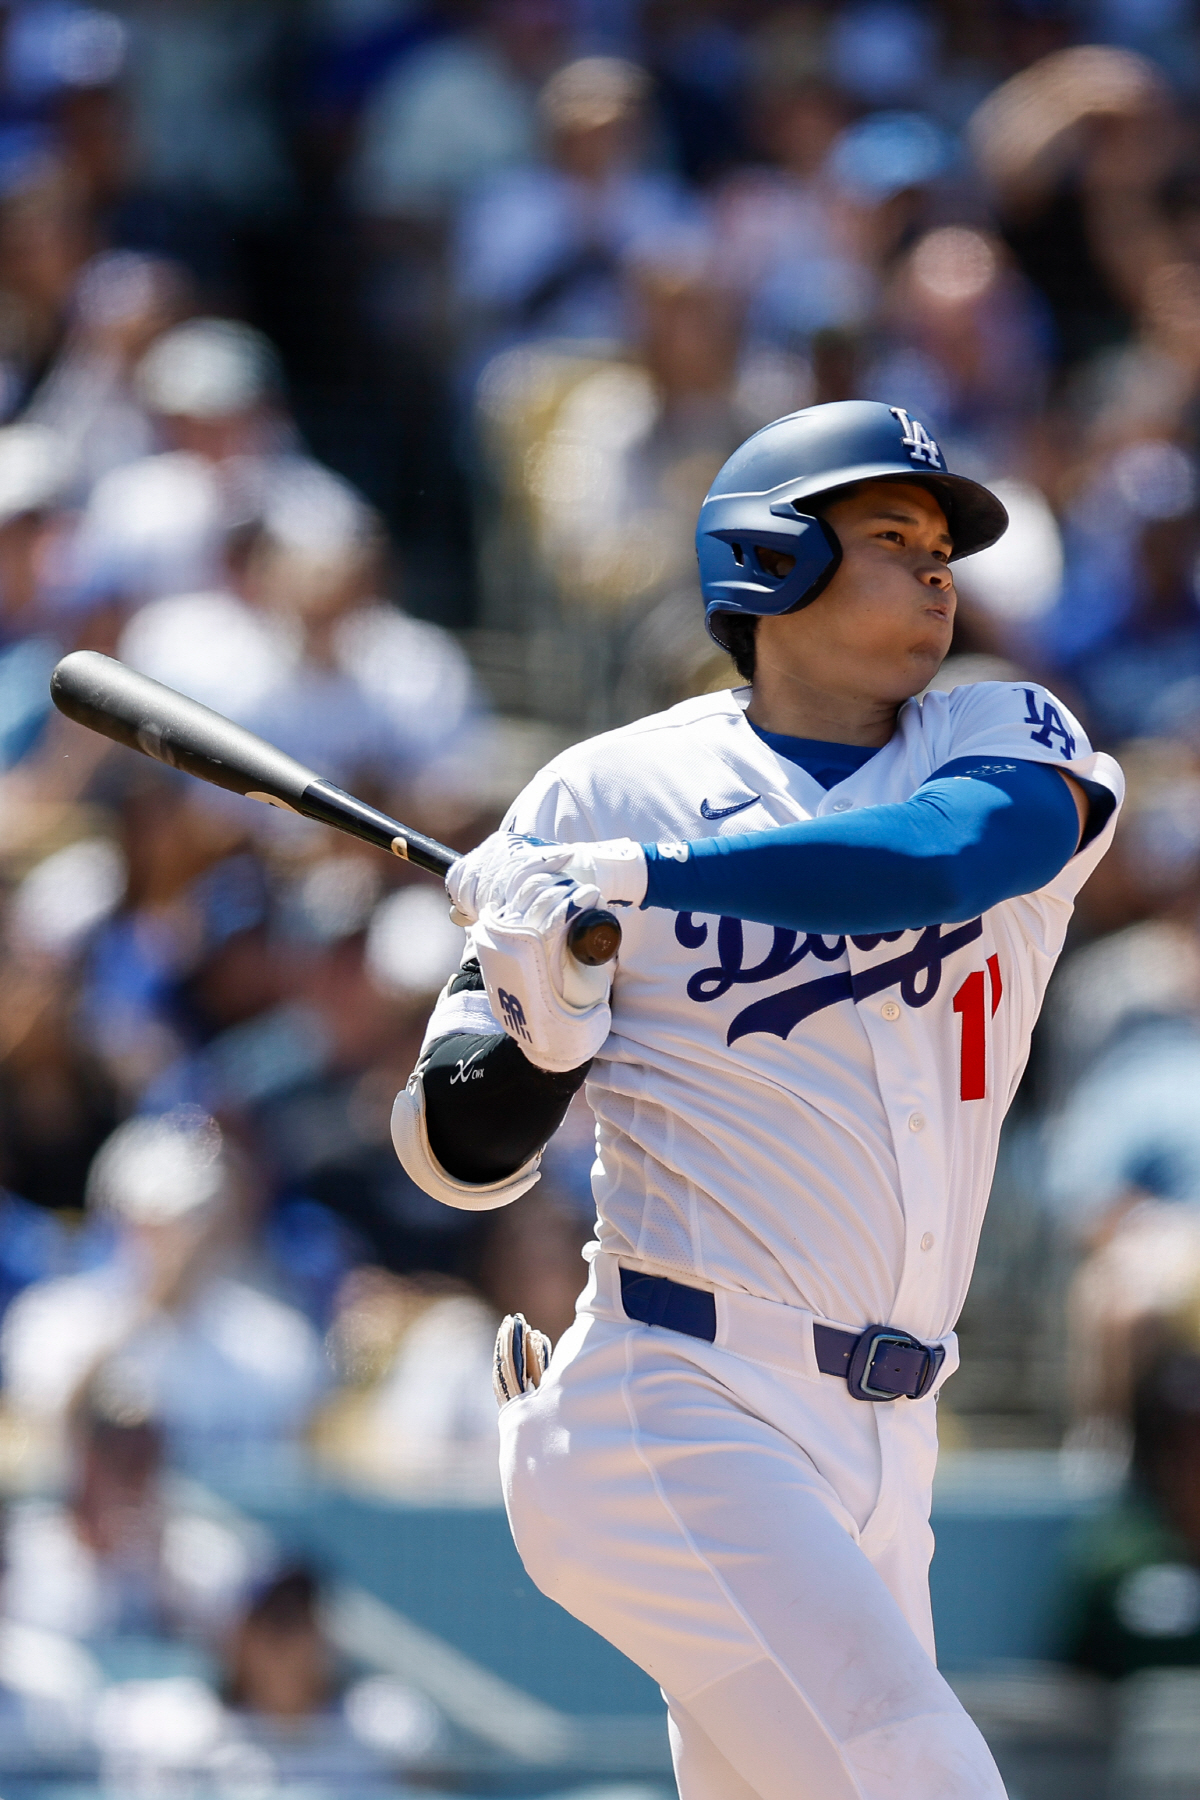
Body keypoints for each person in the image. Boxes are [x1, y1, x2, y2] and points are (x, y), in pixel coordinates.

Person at [391, 399, 1124, 1799]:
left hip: (887, 1439)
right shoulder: (602, 789)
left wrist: (648, 881)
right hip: (673, 1399)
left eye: (944, 546)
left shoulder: (1002, 735)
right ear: (770, 565)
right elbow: (452, 1151)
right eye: (892, 537)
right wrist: (544, 1022)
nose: (938, 572)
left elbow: (939, 862)